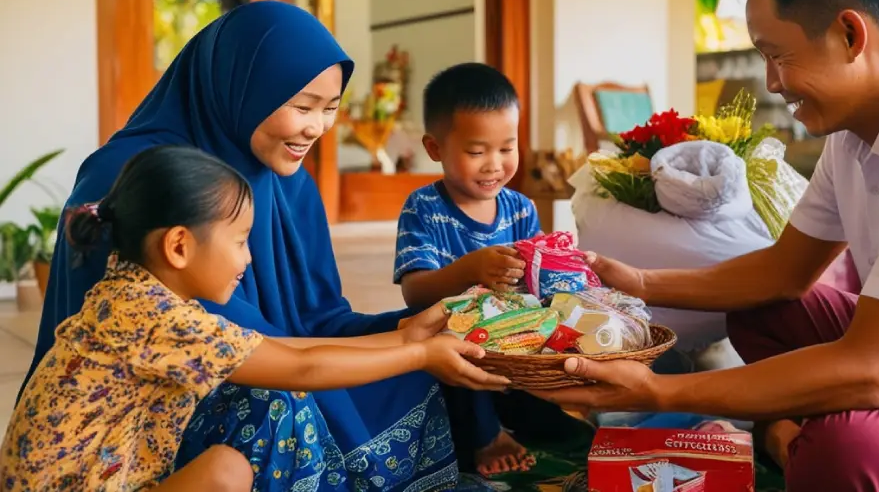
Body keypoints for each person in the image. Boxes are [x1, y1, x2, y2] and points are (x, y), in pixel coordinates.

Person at [533, 0, 879, 492]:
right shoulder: (854, 130)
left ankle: (796, 437)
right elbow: (782, 271)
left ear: (850, 35)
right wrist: (635, 281)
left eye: (778, 56)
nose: (771, 83)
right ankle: (791, 432)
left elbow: (871, 369)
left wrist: (658, 391)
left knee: (846, 452)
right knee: (762, 307)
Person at [20, 1, 469, 491]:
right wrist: (410, 349)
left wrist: (406, 335)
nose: (316, 127)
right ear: (242, 86)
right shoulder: (137, 179)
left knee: (420, 366)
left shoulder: (283, 177)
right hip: (145, 428)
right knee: (281, 404)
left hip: (243, 364)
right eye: (302, 106)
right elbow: (283, 361)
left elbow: (315, 321)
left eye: (330, 109)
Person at [1, 145, 508, 491]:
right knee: (231, 464)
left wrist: (402, 336)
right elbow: (301, 369)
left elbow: (282, 352)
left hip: (115, 470)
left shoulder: (138, 290)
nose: (248, 259)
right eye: (240, 242)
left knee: (268, 401)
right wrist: (418, 354)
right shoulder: (153, 316)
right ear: (179, 245)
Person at [393, 62, 548, 476]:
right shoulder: (423, 208)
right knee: (453, 336)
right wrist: (471, 269)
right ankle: (485, 437)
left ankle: (538, 418)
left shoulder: (522, 208)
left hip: (517, 338)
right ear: (435, 148)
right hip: (459, 340)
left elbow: (538, 284)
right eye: (477, 152)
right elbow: (416, 293)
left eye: (507, 147)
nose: (494, 165)